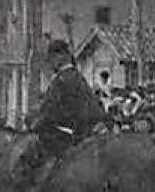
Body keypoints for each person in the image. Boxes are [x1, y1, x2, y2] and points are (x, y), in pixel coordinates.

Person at [31, 39, 104, 168]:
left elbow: (49, 110)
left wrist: (35, 124)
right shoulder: (78, 77)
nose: (50, 63)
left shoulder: (62, 80)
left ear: (61, 56)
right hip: (86, 134)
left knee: (29, 156)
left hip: (67, 137)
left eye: (52, 58)